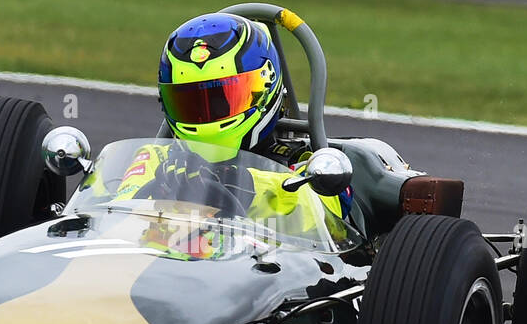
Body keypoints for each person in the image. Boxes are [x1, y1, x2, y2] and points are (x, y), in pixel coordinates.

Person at [104, 13, 352, 229]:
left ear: (264, 90)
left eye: (222, 99)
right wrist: (157, 188)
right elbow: (108, 215)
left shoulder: (308, 166)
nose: (206, 113)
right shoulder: (157, 161)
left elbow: (328, 216)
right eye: (190, 103)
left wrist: (246, 186)